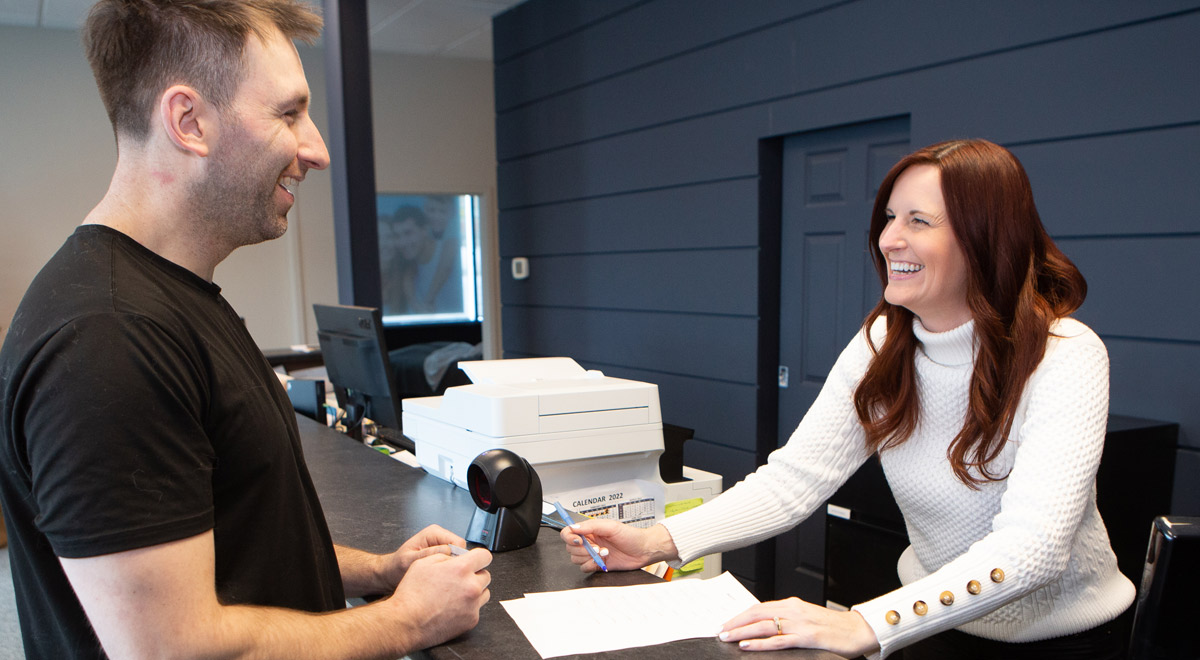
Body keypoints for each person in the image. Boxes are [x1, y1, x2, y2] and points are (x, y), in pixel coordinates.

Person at [0, 1, 491, 658]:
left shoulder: (172, 298)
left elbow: (236, 543)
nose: (315, 149)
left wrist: (380, 571)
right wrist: (406, 622)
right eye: (288, 114)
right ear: (189, 121)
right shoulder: (107, 337)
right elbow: (174, 648)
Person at [560, 139, 1135, 659]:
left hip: (1063, 642)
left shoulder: (1065, 354)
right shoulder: (883, 343)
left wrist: (867, 623)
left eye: (919, 220)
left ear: (986, 235)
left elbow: (1033, 549)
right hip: (933, 627)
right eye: (889, 217)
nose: (890, 239)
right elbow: (794, 481)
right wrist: (656, 542)